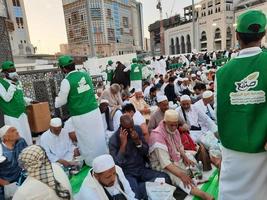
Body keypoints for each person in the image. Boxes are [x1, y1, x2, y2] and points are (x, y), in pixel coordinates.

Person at [216, 10, 267, 200]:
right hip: (262, 153)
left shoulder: (222, 73)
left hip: (233, 152)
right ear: (263, 34)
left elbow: (219, 112)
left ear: (237, 36)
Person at [149, 110, 214, 200]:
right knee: (176, 176)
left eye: (176, 124)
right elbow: (165, 163)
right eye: (171, 125)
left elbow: (179, 147)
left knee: (190, 159)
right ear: (165, 122)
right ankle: (201, 194)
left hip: (173, 157)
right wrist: (181, 174)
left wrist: (184, 156)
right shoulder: (157, 136)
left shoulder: (174, 130)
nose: (174, 127)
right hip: (161, 164)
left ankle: (195, 180)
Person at [55, 55, 107, 166]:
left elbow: (61, 101)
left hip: (81, 115)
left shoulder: (66, 81)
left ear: (63, 69)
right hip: (94, 111)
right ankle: (104, 159)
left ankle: (92, 164)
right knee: (98, 136)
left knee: (86, 139)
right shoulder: (85, 75)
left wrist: (56, 99)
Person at [109, 115, 171, 199]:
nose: (131, 130)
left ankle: (141, 187)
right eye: (128, 129)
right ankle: (144, 188)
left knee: (165, 178)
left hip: (141, 169)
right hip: (128, 173)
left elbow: (145, 152)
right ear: (121, 126)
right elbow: (117, 165)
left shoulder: (137, 129)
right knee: (135, 196)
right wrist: (123, 145)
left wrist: (138, 141)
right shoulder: (113, 139)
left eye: (132, 127)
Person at [0, 61, 33, 145]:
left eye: (14, 70)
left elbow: (20, 96)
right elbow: (7, 98)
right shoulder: (1, 84)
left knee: (27, 135)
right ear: (5, 73)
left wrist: (30, 101)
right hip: (11, 116)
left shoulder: (18, 82)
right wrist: (13, 84)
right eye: (10, 71)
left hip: (22, 113)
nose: (13, 72)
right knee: (15, 138)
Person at [0, 125, 27, 199]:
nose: (17, 132)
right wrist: (2, 182)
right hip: (5, 183)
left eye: (16, 130)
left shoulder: (21, 142)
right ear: (5, 137)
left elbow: (28, 157)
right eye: (13, 131)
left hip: (21, 178)